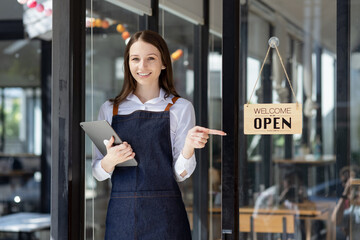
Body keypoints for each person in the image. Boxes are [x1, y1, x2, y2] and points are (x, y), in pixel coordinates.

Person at [92, 30, 226, 240]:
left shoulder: (180, 108)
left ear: (164, 63)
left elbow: (180, 173)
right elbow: (98, 172)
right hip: (122, 216)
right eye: (135, 59)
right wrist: (109, 161)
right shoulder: (110, 109)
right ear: (128, 63)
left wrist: (189, 147)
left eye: (150, 59)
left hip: (166, 216)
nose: (142, 66)